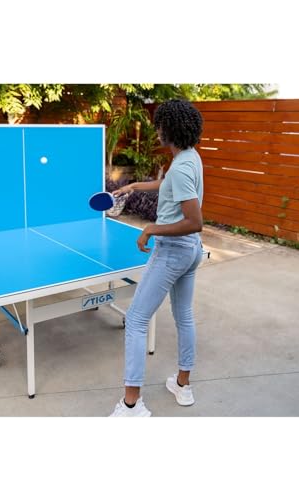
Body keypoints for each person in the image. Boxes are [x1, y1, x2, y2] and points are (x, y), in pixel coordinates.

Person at [109, 99, 204, 417]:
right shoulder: (189, 158)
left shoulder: (182, 168)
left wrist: (150, 229)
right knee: (184, 315)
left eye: (160, 125)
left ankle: (131, 406)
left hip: (173, 251)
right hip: (191, 251)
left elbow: (194, 220)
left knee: (136, 320)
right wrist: (135, 186)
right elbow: (168, 185)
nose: (157, 130)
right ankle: (182, 385)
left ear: (170, 129)